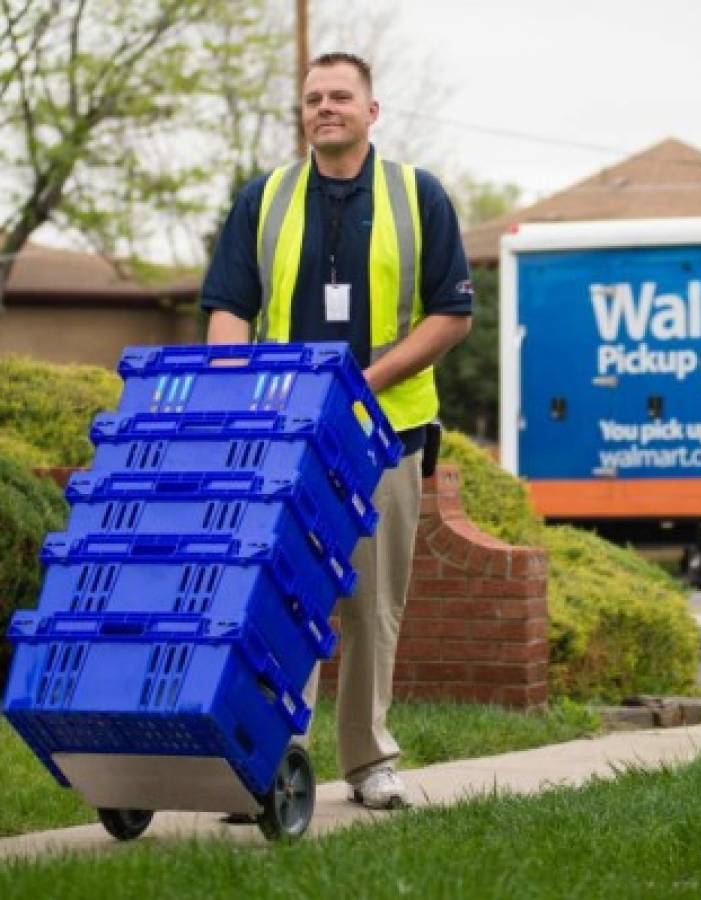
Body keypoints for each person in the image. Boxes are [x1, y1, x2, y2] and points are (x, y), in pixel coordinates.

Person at [201, 51, 473, 809]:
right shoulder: (265, 198)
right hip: (284, 434)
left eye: (341, 96)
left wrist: (356, 386)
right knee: (281, 598)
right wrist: (236, 393)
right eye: (314, 97)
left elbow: (451, 315)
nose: (326, 107)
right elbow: (229, 304)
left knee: (370, 602)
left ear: (371, 111)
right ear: (304, 112)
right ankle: (272, 760)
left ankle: (368, 763)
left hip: (387, 430)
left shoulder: (419, 196)